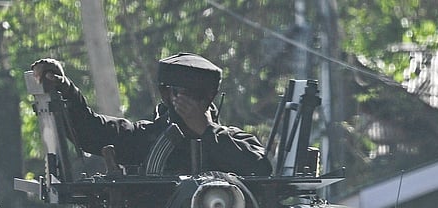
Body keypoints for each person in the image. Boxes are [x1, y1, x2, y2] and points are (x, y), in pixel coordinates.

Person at [31, 53, 272, 177]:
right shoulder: (145, 138)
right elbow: (90, 132)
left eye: (198, 95)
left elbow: (261, 169)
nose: (190, 102)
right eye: (182, 93)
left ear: (211, 97)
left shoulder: (236, 142)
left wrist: (206, 131)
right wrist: (66, 90)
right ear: (166, 94)